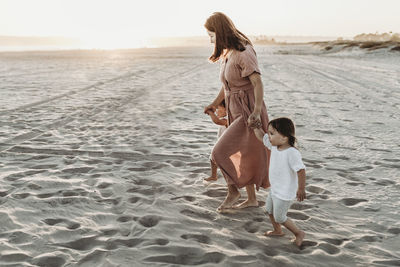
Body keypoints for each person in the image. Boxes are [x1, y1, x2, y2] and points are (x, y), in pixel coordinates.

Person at [203, 12, 270, 212]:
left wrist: (256, 111)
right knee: (244, 153)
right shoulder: (228, 53)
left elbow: (257, 82)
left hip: (247, 110)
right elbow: (227, 86)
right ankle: (251, 199)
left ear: (221, 32)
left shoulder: (243, 51)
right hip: (233, 108)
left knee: (219, 152)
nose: (211, 39)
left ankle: (233, 191)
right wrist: (214, 104)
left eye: (212, 35)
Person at [253, 117, 306, 247]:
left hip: (285, 192)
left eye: (272, 133)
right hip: (275, 189)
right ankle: (278, 230)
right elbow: (262, 137)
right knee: (269, 210)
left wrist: (301, 189)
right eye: (269, 132)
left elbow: (301, 170)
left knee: (280, 217)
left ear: (285, 137)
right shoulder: (275, 147)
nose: (268, 136)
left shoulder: (292, 153)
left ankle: (298, 233)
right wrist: (255, 127)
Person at [205, 100, 228, 182]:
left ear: (226, 110)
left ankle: (230, 179)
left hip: (226, 145)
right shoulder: (224, 119)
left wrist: (211, 113)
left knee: (223, 162)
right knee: (212, 158)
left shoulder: (227, 120)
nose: (216, 111)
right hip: (221, 143)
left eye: (218, 108)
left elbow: (217, 121)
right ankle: (214, 176)